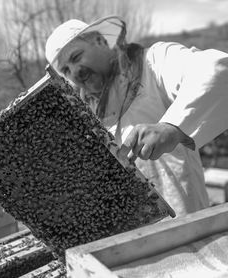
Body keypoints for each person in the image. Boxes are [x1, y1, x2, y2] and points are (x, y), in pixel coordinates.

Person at [45, 16, 228, 216]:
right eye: (65, 70)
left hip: (185, 224)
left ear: (99, 40)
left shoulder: (155, 62)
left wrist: (171, 126)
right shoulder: (81, 111)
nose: (75, 72)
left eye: (76, 57)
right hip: (125, 235)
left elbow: (217, 70)